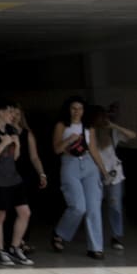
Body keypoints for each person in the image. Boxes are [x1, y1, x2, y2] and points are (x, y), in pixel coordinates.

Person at [52, 96, 109, 259]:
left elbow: (94, 150)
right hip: (70, 164)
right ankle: (60, 233)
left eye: (80, 108)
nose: (77, 112)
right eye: (73, 108)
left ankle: (96, 247)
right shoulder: (62, 126)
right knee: (78, 206)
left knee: (94, 207)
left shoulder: (88, 127)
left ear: (84, 110)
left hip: (89, 165)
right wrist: (69, 140)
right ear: (68, 110)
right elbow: (56, 149)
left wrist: (103, 171)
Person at [0, 101, 36, 266]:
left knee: (25, 212)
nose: (13, 115)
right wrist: (4, 143)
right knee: (0, 215)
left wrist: (17, 145)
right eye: (10, 112)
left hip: (13, 178)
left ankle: (15, 246)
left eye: (14, 112)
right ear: (0, 112)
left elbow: (15, 157)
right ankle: (0, 250)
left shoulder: (12, 130)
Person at [90, 105, 137, 251]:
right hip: (94, 172)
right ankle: (95, 237)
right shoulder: (90, 133)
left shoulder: (112, 132)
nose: (102, 120)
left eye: (104, 117)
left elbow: (132, 135)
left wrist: (114, 125)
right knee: (94, 205)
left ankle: (116, 236)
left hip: (113, 173)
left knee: (114, 204)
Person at [13, 104, 49, 252]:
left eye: (18, 113)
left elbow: (34, 157)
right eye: (12, 113)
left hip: (26, 175)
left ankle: (23, 240)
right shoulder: (4, 133)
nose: (15, 116)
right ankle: (14, 241)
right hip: (9, 174)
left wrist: (42, 173)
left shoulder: (27, 134)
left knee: (26, 209)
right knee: (11, 210)